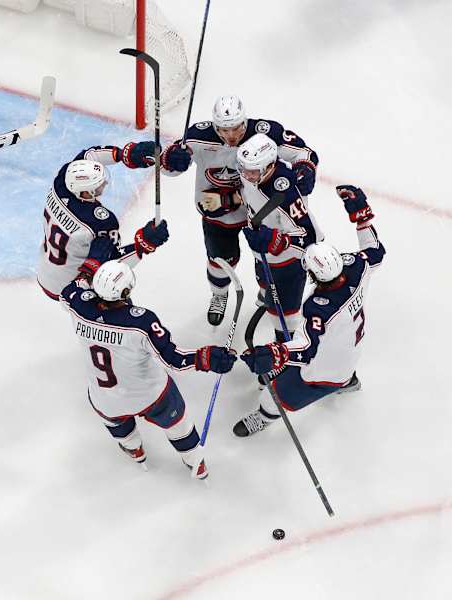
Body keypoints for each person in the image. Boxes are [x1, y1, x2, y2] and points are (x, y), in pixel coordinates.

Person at [60, 259, 237, 478]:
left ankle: (135, 450)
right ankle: (196, 464)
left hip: (105, 398)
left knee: (112, 415)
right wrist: (206, 357)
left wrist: (87, 274)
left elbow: (67, 292)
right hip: (150, 396)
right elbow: (173, 360)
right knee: (178, 425)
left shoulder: (78, 307)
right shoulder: (141, 322)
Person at [234, 185, 385, 437]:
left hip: (323, 370)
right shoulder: (357, 267)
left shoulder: (319, 309)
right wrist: (361, 214)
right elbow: (375, 250)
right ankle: (348, 381)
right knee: (341, 362)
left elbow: (305, 350)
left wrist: (273, 354)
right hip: (349, 352)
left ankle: (265, 415)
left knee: (276, 395)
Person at [160, 95, 318, 326]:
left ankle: (266, 291)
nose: (231, 136)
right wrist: (171, 160)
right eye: (224, 130)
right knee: (220, 260)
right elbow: (167, 168)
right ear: (215, 126)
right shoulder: (199, 136)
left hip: (258, 216)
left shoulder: (264, 133)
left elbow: (302, 152)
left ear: (244, 122)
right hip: (218, 214)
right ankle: (219, 294)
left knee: (264, 257)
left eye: (235, 128)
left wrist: (306, 168)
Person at [37, 142, 168, 300]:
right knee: (116, 289)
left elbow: (88, 156)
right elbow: (109, 268)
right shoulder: (100, 222)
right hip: (72, 290)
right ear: (85, 192)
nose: (103, 185)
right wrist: (143, 244)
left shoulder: (61, 183)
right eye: (98, 185)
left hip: (45, 273)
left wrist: (124, 154)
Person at [237, 133, 324, 341]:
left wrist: (278, 241)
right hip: (262, 251)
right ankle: (266, 294)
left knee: (284, 314)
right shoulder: (250, 172)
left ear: (268, 166)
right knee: (264, 281)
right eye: (244, 170)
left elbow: (310, 238)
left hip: (288, 263)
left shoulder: (286, 193)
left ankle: (286, 352)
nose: (246, 176)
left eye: (252, 172)